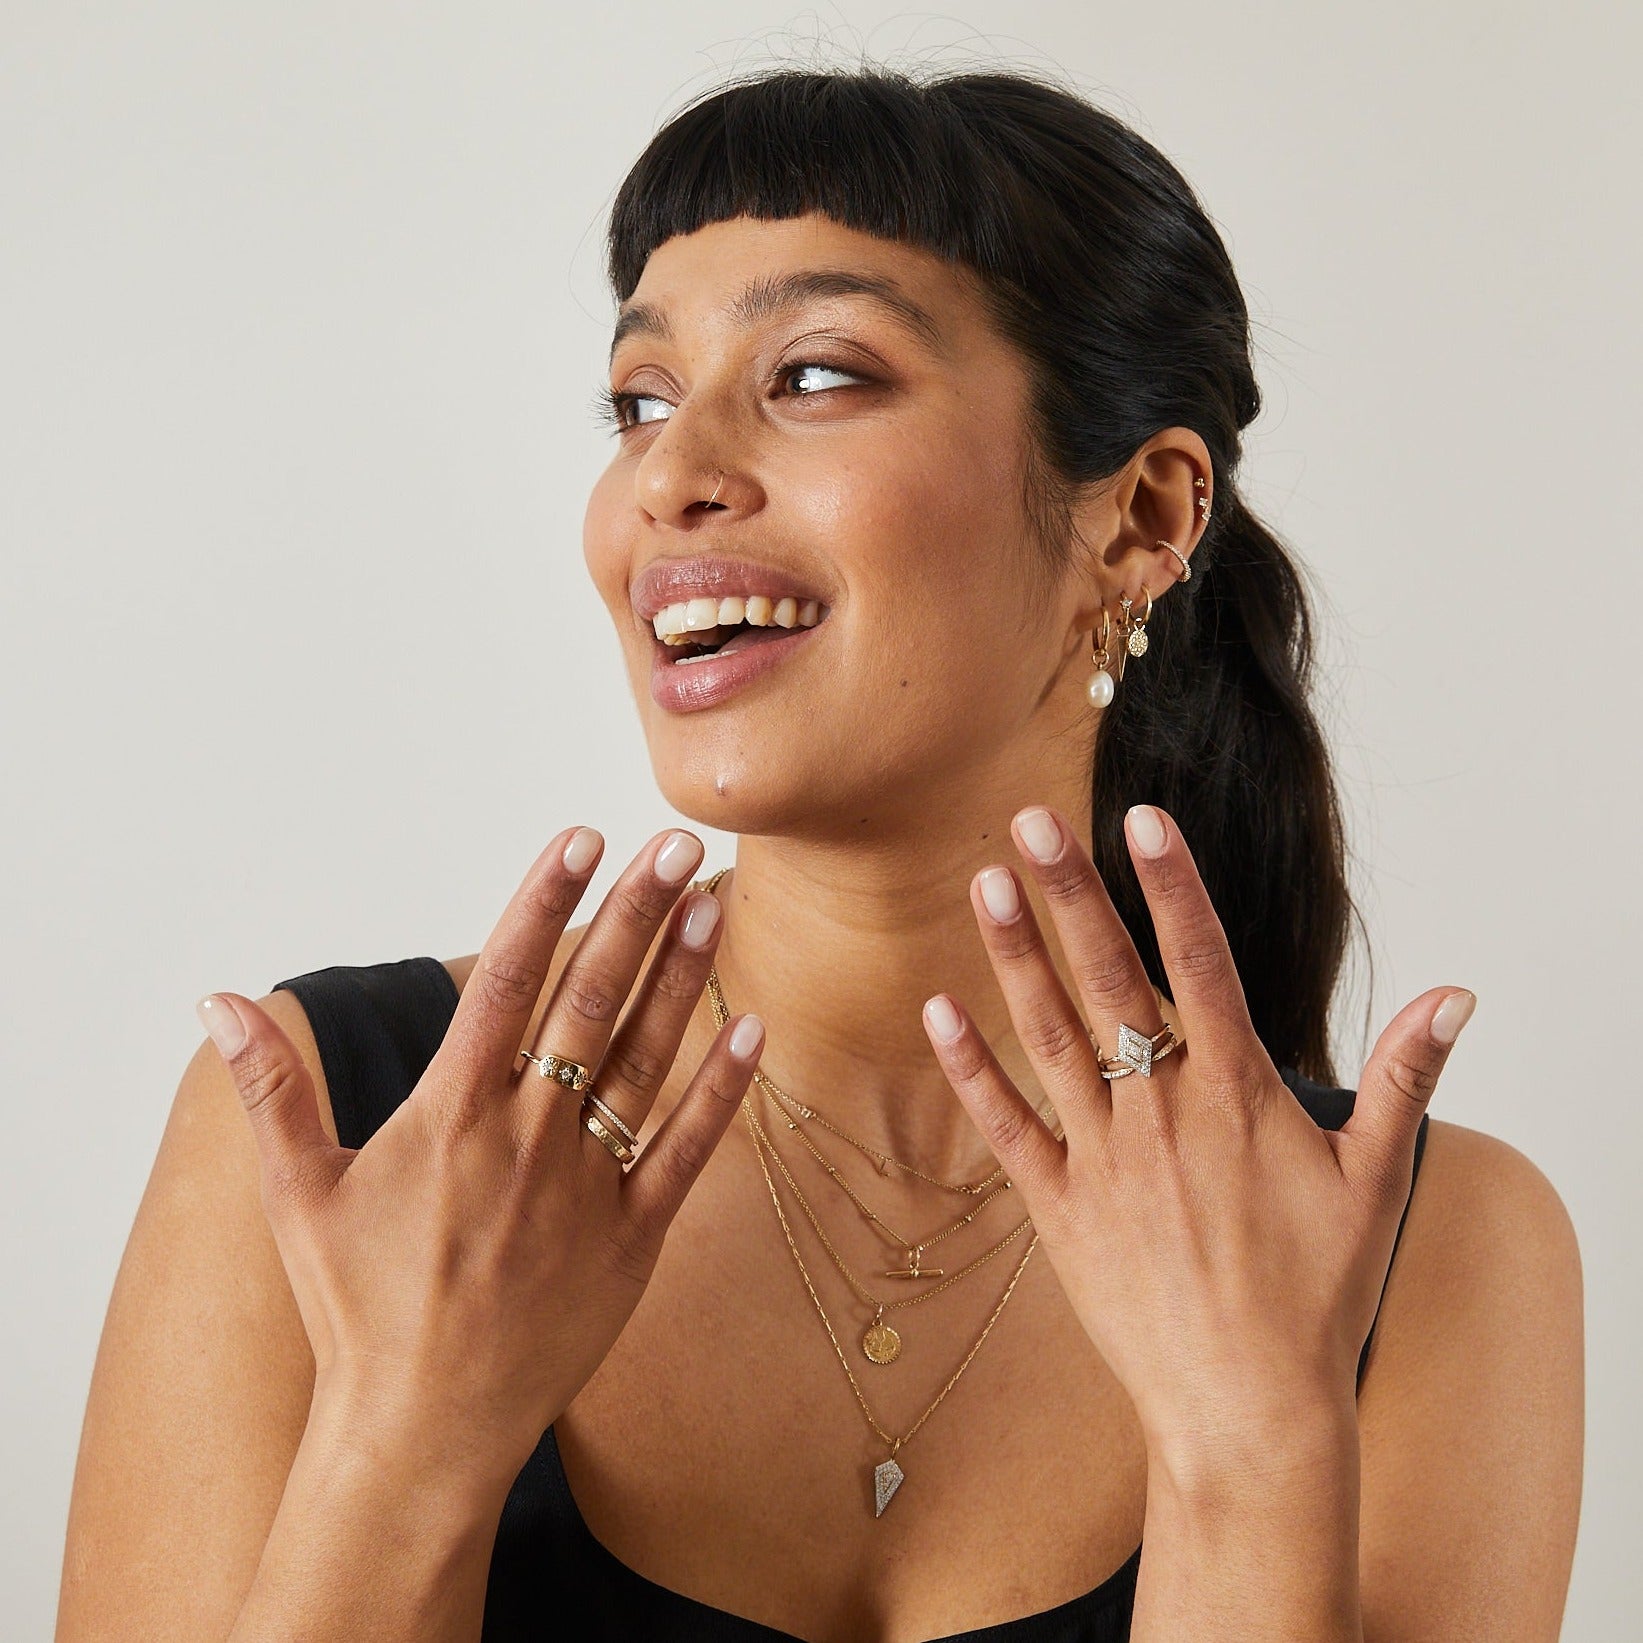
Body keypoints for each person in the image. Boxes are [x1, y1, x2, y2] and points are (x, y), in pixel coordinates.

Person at [56, 64, 1583, 1643]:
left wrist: (1248, 1450)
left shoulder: (1423, 1249)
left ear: (1139, 517)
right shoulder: (342, 1133)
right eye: (639, 400)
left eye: (818, 376)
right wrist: (406, 1442)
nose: (671, 473)